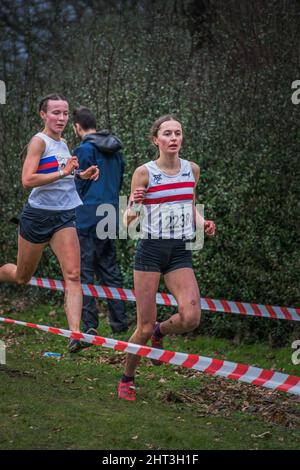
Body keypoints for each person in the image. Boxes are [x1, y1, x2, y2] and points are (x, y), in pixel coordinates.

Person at [118, 114, 216, 401]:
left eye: (178, 133)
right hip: (150, 249)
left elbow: (191, 206)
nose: (173, 138)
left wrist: (203, 223)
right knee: (143, 326)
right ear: (155, 140)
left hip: (179, 251)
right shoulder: (144, 172)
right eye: (167, 134)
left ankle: (163, 330)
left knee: (191, 317)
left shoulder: (192, 170)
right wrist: (135, 202)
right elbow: (126, 222)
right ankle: (127, 377)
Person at [0, 93, 99, 352]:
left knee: (73, 275)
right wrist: (63, 172)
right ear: (43, 115)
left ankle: (75, 334)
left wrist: (81, 175)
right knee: (22, 277)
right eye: (56, 113)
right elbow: (27, 180)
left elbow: (63, 178)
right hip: (37, 216)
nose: (62, 118)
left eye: (65, 114)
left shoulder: (64, 142)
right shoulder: (39, 142)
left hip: (64, 216)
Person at [71, 107, 128, 351]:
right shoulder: (115, 150)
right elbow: (121, 179)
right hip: (111, 212)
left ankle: (89, 326)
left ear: (77, 127)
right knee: (109, 269)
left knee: (83, 271)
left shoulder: (84, 150)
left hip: (86, 215)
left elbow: (77, 183)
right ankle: (120, 322)